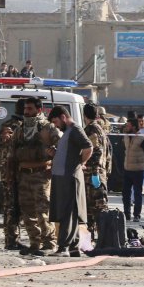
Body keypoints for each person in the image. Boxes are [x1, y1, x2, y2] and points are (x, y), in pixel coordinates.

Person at [13, 97, 60, 257]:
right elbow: (13, 152)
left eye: (30, 109)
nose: (26, 112)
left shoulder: (48, 128)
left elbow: (61, 148)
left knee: (42, 212)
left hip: (41, 175)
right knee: (27, 212)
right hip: (24, 175)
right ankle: (35, 243)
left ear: (39, 110)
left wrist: (53, 166)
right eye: (25, 109)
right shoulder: (20, 129)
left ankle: (49, 243)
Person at [47, 106, 93, 257]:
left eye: (56, 121)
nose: (56, 125)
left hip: (70, 177)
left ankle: (63, 247)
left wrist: (79, 163)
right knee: (67, 211)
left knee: (68, 212)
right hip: (62, 177)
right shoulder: (67, 132)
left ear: (63, 117)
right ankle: (74, 247)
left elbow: (88, 148)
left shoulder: (75, 130)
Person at [0, 114, 26, 252]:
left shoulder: (7, 125)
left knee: (13, 208)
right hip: (11, 173)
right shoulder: (15, 127)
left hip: (10, 172)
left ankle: (14, 239)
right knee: (11, 208)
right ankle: (11, 241)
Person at [83, 103, 110, 240]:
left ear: (84, 115)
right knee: (99, 206)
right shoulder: (101, 129)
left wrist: (94, 171)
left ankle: (98, 238)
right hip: (100, 173)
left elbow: (97, 151)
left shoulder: (90, 130)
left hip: (92, 174)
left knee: (93, 208)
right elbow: (108, 153)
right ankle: (100, 237)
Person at [121, 117, 144, 222]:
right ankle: (126, 214)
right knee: (125, 194)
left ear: (134, 127)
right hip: (127, 169)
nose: (126, 127)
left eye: (128, 125)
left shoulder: (142, 138)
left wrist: (142, 164)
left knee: (137, 193)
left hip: (138, 170)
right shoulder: (126, 137)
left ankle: (137, 215)